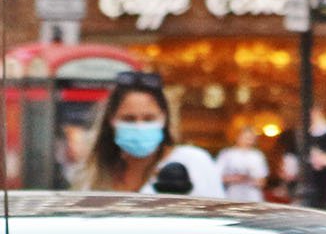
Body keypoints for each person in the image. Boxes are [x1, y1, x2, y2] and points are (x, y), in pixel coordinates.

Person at [72, 71, 224, 197]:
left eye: (148, 118)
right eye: (129, 119)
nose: (139, 126)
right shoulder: (96, 173)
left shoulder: (192, 161)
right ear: (112, 120)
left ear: (164, 119)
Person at [215, 124, 268, 204]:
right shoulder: (227, 154)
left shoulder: (257, 155)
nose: (248, 140)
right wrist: (235, 178)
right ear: (237, 137)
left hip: (253, 197)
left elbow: (262, 181)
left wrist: (250, 179)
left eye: (251, 138)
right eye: (246, 137)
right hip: (231, 196)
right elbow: (217, 177)